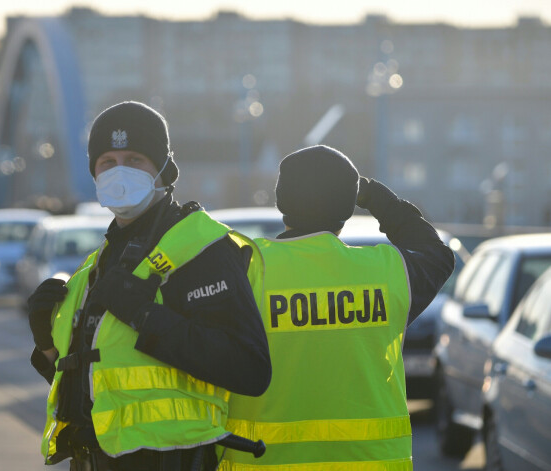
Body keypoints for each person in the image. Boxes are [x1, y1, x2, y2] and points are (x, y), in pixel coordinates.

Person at [27, 101, 271, 471]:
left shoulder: (199, 250)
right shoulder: (98, 265)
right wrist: (46, 347)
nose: (119, 172)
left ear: (163, 169)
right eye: (107, 162)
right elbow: (103, 386)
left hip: (171, 461)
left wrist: (144, 315)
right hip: (93, 460)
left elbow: (248, 367)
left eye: (135, 159)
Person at [218, 145, 455, 470]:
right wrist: (372, 195)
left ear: (282, 202)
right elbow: (436, 253)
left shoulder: (245, 268)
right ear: (346, 206)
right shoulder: (385, 272)